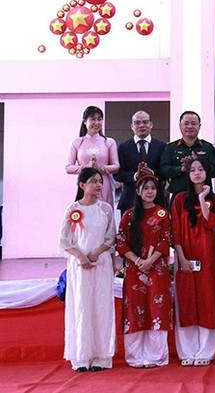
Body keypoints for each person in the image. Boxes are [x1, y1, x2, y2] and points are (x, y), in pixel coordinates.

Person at [60, 168, 116, 372]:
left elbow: (111, 237)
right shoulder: (73, 210)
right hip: (79, 266)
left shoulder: (106, 209)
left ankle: (102, 356)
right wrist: (81, 256)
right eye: (94, 181)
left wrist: (97, 252)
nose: (99, 185)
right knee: (81, 307)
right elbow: (64, 240)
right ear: (82, 185)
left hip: (100, 264)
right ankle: (81, 356)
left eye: (101, 181)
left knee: (101, 307)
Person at [170, 158, 215, 366]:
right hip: (185, 255)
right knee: (187, 301)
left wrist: (202, 198)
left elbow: (212, 224)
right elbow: (175, 230)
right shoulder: (179, 199)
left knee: (207, 300)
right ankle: (187, 352)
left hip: (207, 256)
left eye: (201, 169)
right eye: (193, 170)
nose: (197, 173)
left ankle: (206, 352)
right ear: (188, 174)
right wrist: (181, 257)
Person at [116, 173, 172, 368]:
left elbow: (166, 240)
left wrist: (150, 261)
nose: (150, 192)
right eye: (146, 188)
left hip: (157, 268)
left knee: (157, 308)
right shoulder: (128, 215)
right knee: (135, 310)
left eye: (153, 188)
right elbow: (121, 241)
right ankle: (135, 356)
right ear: (138, 191)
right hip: (134, 269)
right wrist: (137, 260)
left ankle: (156, 356)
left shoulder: (162, 214)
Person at [66, 106, 120, 207]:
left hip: (103, 184)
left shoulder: (109, 142)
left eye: (99, 119)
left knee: (104, 213)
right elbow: (68, 168)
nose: (97, 122)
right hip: (85, 184)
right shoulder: (77, 142)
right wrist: (86, 167)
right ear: (84, 121)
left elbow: (116, 166)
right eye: (93, 119)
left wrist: (101, 168)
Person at [115, 111, 166, 215]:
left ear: (151, 125)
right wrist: (135, 176)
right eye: (137, 123)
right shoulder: (123, 147)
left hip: (156, 200)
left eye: (145, 122)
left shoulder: (162, 146)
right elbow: (118, 174)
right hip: (130, 199)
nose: (141, 125)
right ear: (132, 126)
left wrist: (152, 173)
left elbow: (165, 171)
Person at [159, 111, 215, 196]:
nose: (190, 126)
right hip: (178, 194)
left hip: (203, 193)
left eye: (193, 124)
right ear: (180, 126)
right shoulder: (171, 148)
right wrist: (182, 169)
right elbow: (163, 170)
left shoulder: (208, 147)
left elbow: (214, 171)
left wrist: (198, 165)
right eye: (186, 123)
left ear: (199, 126)